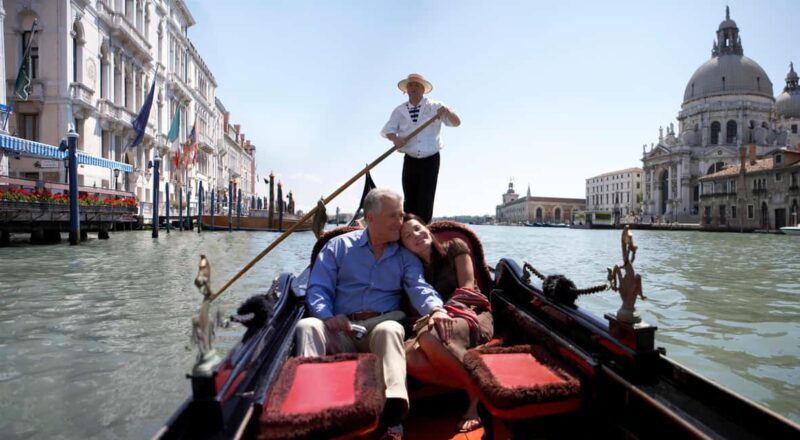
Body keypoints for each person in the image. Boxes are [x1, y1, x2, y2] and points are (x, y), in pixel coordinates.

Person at [295, 188, 453, 439]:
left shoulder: (404, 257)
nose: (400, 223)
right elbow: (318, 288)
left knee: (391, 330)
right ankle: (308, 409)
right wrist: (327, 316)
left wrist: (436, 308)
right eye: (394, 216)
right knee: (307, 327)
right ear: (371, 218)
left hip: (380, 329)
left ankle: (393, 416)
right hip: (341, 330)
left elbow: (418, 287)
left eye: (400, 216)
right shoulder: (338, 246)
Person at [399, 214, 493, 433]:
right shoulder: (412, 269)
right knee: (406, 355)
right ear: (403, 246)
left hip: (472, 313)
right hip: (437, 320)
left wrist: (442, 314)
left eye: (417, 228)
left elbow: (468, 287)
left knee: (428, 336)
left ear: (427, 228)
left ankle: (474, 401)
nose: (415, 235)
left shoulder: (455, 247)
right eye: (407, 235)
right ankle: (478, 387)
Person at [381, 73, 461, 223]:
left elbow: (456, 122)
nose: (413, 88)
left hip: (431, 158)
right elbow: (388, 130)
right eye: (410, 85)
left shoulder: (436, 106)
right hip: (410, 159)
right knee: (409, 198)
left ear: (423, 89)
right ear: (406, 90)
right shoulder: (399, 111)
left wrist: (448, 112)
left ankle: (423, 229)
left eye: (417, 85)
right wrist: (395, 139)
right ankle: (409, 230)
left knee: (426, 197)